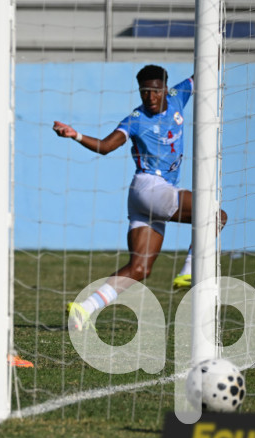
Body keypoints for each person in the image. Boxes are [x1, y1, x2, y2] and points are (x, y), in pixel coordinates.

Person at [53, 65, 227, 331]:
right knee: (216, 214)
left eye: (156, 91)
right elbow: (106, 146)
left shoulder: (180, 96)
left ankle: (83, 309)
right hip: (149, 187)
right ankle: (188, 270)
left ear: (165, 89)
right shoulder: (135, 119)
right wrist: (74, 134)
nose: (151, 97)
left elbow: (204, 73)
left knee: (140, 268)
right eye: (145, 91)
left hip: (145, 198)